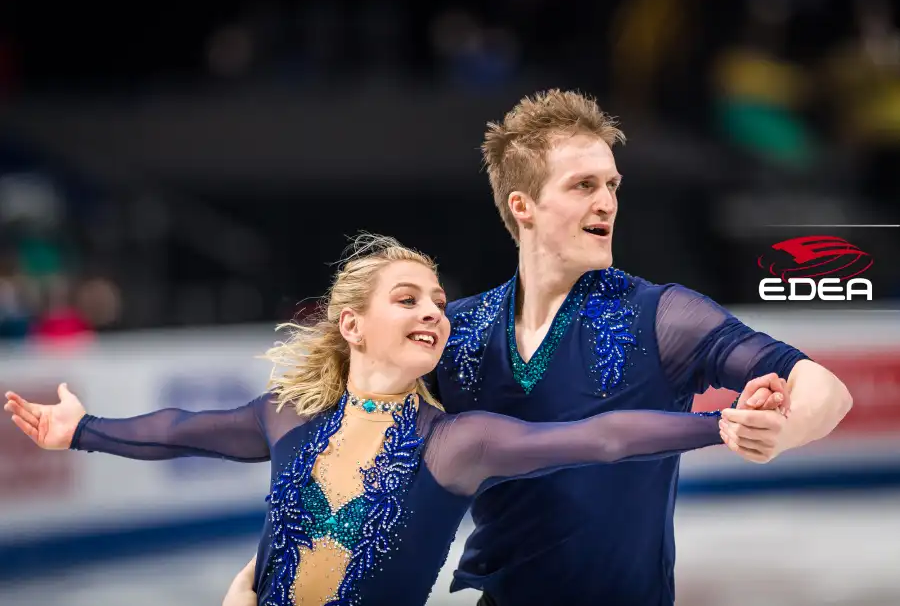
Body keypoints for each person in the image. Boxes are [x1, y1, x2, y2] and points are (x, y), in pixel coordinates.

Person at [4, 235, 785, 606]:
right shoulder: (289, 418)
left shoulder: (454, 444)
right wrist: (84, 429)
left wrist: (716, 426)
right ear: (352, 324)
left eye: (440, 303)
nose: (433, 313)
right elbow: (179, 427)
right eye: (408, 298)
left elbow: (601, 437)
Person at [421, 89, 852, 606]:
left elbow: (825, 387)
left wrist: (785, 430)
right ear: (523, 205)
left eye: (611, 185)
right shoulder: (457, 332)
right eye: (583, 185)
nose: (606, 202)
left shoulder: (661, 317)